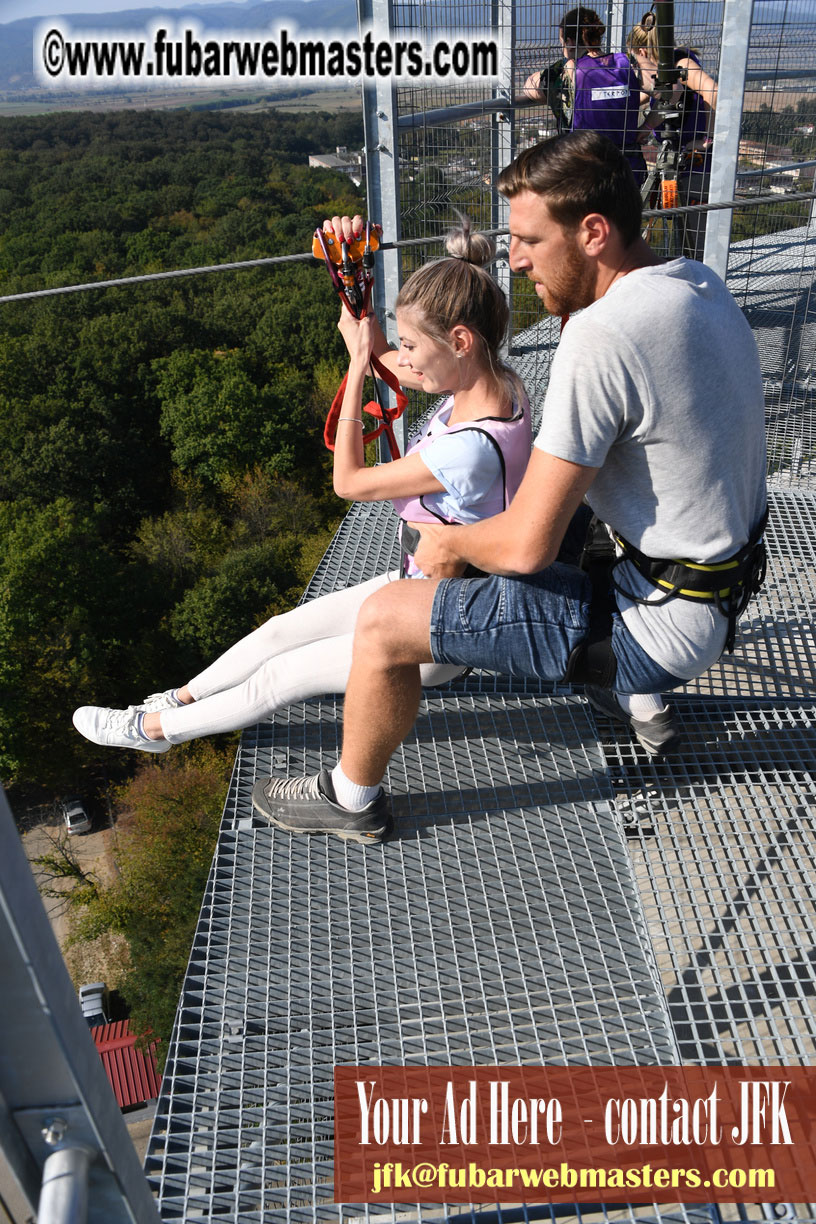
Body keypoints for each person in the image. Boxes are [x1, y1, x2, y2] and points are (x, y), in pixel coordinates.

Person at [251, 130, 768, 846]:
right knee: (564, 512)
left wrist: (446, 540)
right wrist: (371, 352)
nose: (516, 260)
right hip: (716, 590)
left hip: (655, 623)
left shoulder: (602, 336)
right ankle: (632, 699)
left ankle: (350, 797)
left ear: (593, 232)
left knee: (386, 617)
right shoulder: (695, 284)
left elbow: (526, 548)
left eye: (529, 240)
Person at [72, 217, 533, 834]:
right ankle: (176, 701)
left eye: (413, 346)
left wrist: (355, 368)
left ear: (461, 340)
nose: (405, 359)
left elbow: (347, 482)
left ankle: (149, 732)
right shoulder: (497, 385)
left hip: (441, 623)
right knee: (277, 632)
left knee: (280, 676)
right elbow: (411, 367)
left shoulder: (468, 448)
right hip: (421, 584)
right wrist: (363, 321)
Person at [627, 11, 718, 259]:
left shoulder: (681, 65)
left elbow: (714, 92)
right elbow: (655, 96)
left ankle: (702, 288)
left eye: (635, 58)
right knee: (680, 232)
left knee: (695, 240)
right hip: (676, 162)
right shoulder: (665, 73)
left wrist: (706, 140)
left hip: (697, 164)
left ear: (643, 52)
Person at [524, 8, 647, 185]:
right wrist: (647, 125)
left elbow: (531, 88)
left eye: (561, 42)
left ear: (569, 42)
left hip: (582, 174)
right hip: (626, 172)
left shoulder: (567, 73)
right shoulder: (624, 64)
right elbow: (669, 87)